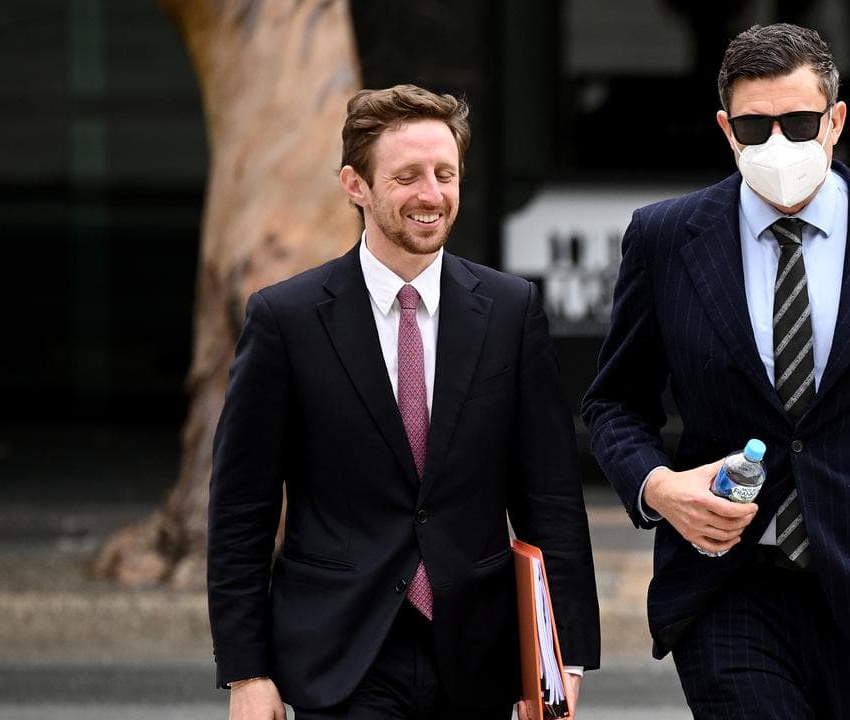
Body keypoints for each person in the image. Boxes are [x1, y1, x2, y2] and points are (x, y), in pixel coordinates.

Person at [581, 23, 850, 720]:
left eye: (800, 122)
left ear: (835, 120)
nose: (778, 144)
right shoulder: (665, 237)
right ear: (726, 129)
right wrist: (659, 489)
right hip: (729, 591)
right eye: (755, 125)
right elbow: (614, 403)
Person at [208, 84, 599, 720]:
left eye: (446, 174)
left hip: (479, 654)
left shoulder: (510, 311)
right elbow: (241, 508)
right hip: (339, 654)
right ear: (355, 185)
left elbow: (549, 498)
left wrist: (561, 662)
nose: (431, 194)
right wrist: (246, 670)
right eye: (407, 176)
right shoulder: (287, 320)